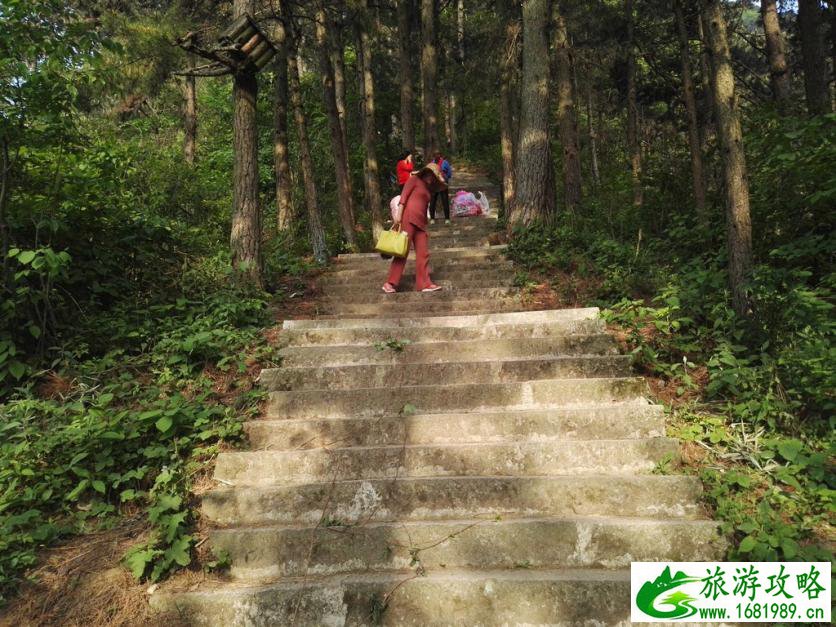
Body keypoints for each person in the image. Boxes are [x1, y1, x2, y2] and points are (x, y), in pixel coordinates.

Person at [382, 163, 447, 293]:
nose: (431, 178)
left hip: (421, 223)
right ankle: (389, 283)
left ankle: (424, 284)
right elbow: (403, 197)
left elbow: (424, 206)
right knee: (403, 251)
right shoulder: (414, 180)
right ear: (425, 173)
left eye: (434, 177)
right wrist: (398, 217)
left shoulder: (429, 189)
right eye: (430, 175)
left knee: (423, 253)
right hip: (408, 218)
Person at [429, 150, 453, 224]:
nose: (437, 156)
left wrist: (445, 178)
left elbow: (449, 173)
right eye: (435, 155)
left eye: (438, 154)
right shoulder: (431, 164)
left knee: (445, 201)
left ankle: (447, 219)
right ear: (433, 156)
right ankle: (432, 218)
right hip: (434, 185)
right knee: (432, 201)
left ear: (440, 155)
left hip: (443, 184)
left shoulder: (445, 163)